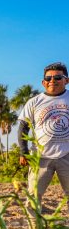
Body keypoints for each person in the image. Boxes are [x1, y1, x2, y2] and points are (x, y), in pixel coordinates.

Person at [17, 62, 69, 209]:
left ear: (67, 80)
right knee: (33, 198)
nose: (52, 80)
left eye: (58, 77)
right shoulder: (34, 102)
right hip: (40, 157)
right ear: (43, 82)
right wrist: (23, 151)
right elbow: (23, 128)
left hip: (67, 155)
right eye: (48, 78)